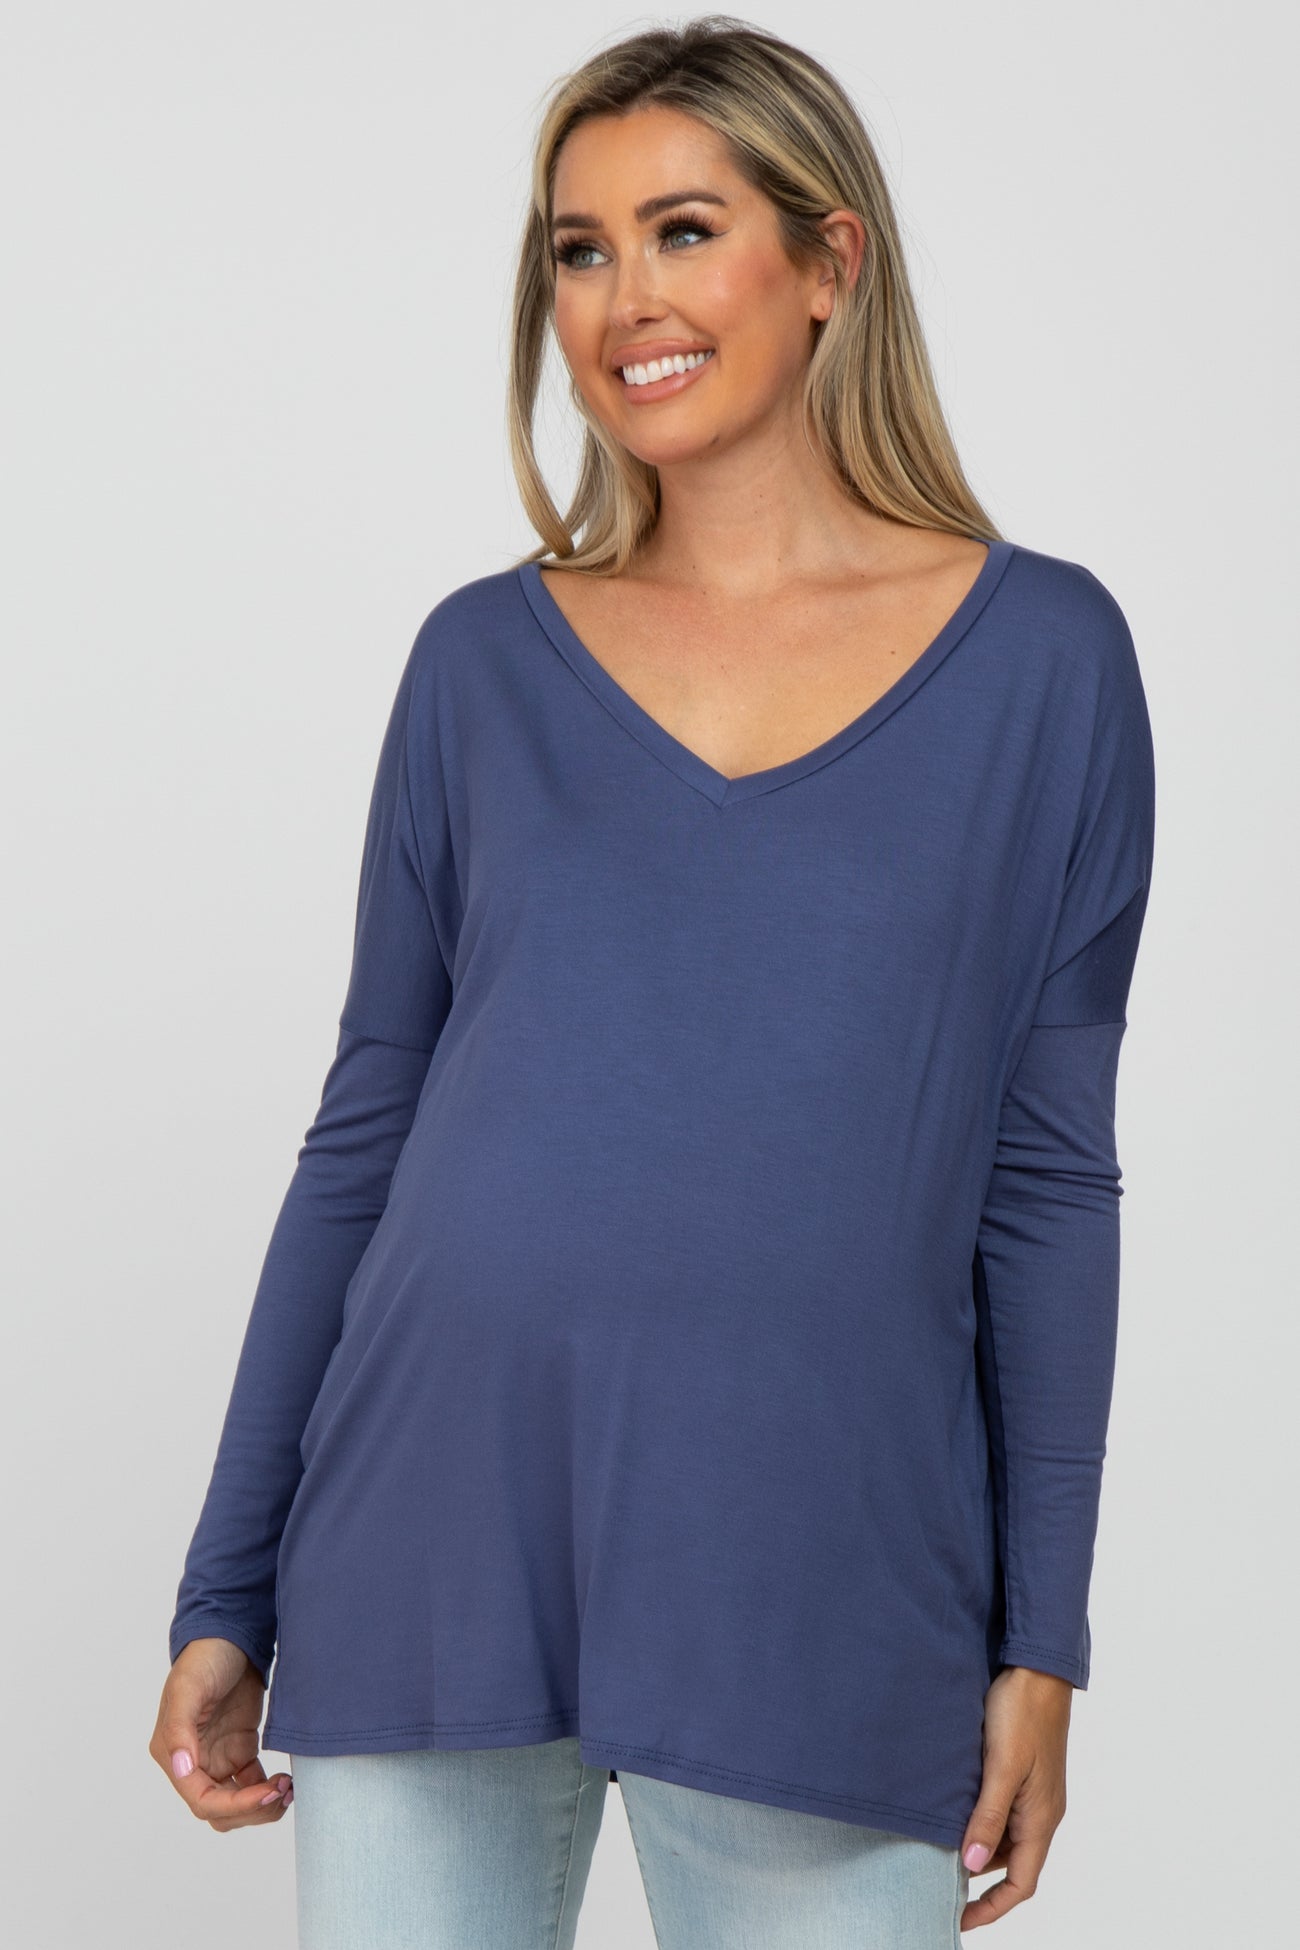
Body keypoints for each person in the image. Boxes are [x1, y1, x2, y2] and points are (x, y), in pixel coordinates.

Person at [149, 18, 1157, 1948]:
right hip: (430, 1533)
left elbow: (1047, 1176)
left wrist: (1045, 1638)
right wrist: (229, 1583)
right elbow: (368, 1133)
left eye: (684, 230)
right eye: (579, 249)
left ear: (830, 260)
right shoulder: (478, 665)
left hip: (821, 1566)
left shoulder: (1045, 661)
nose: (625, 301)